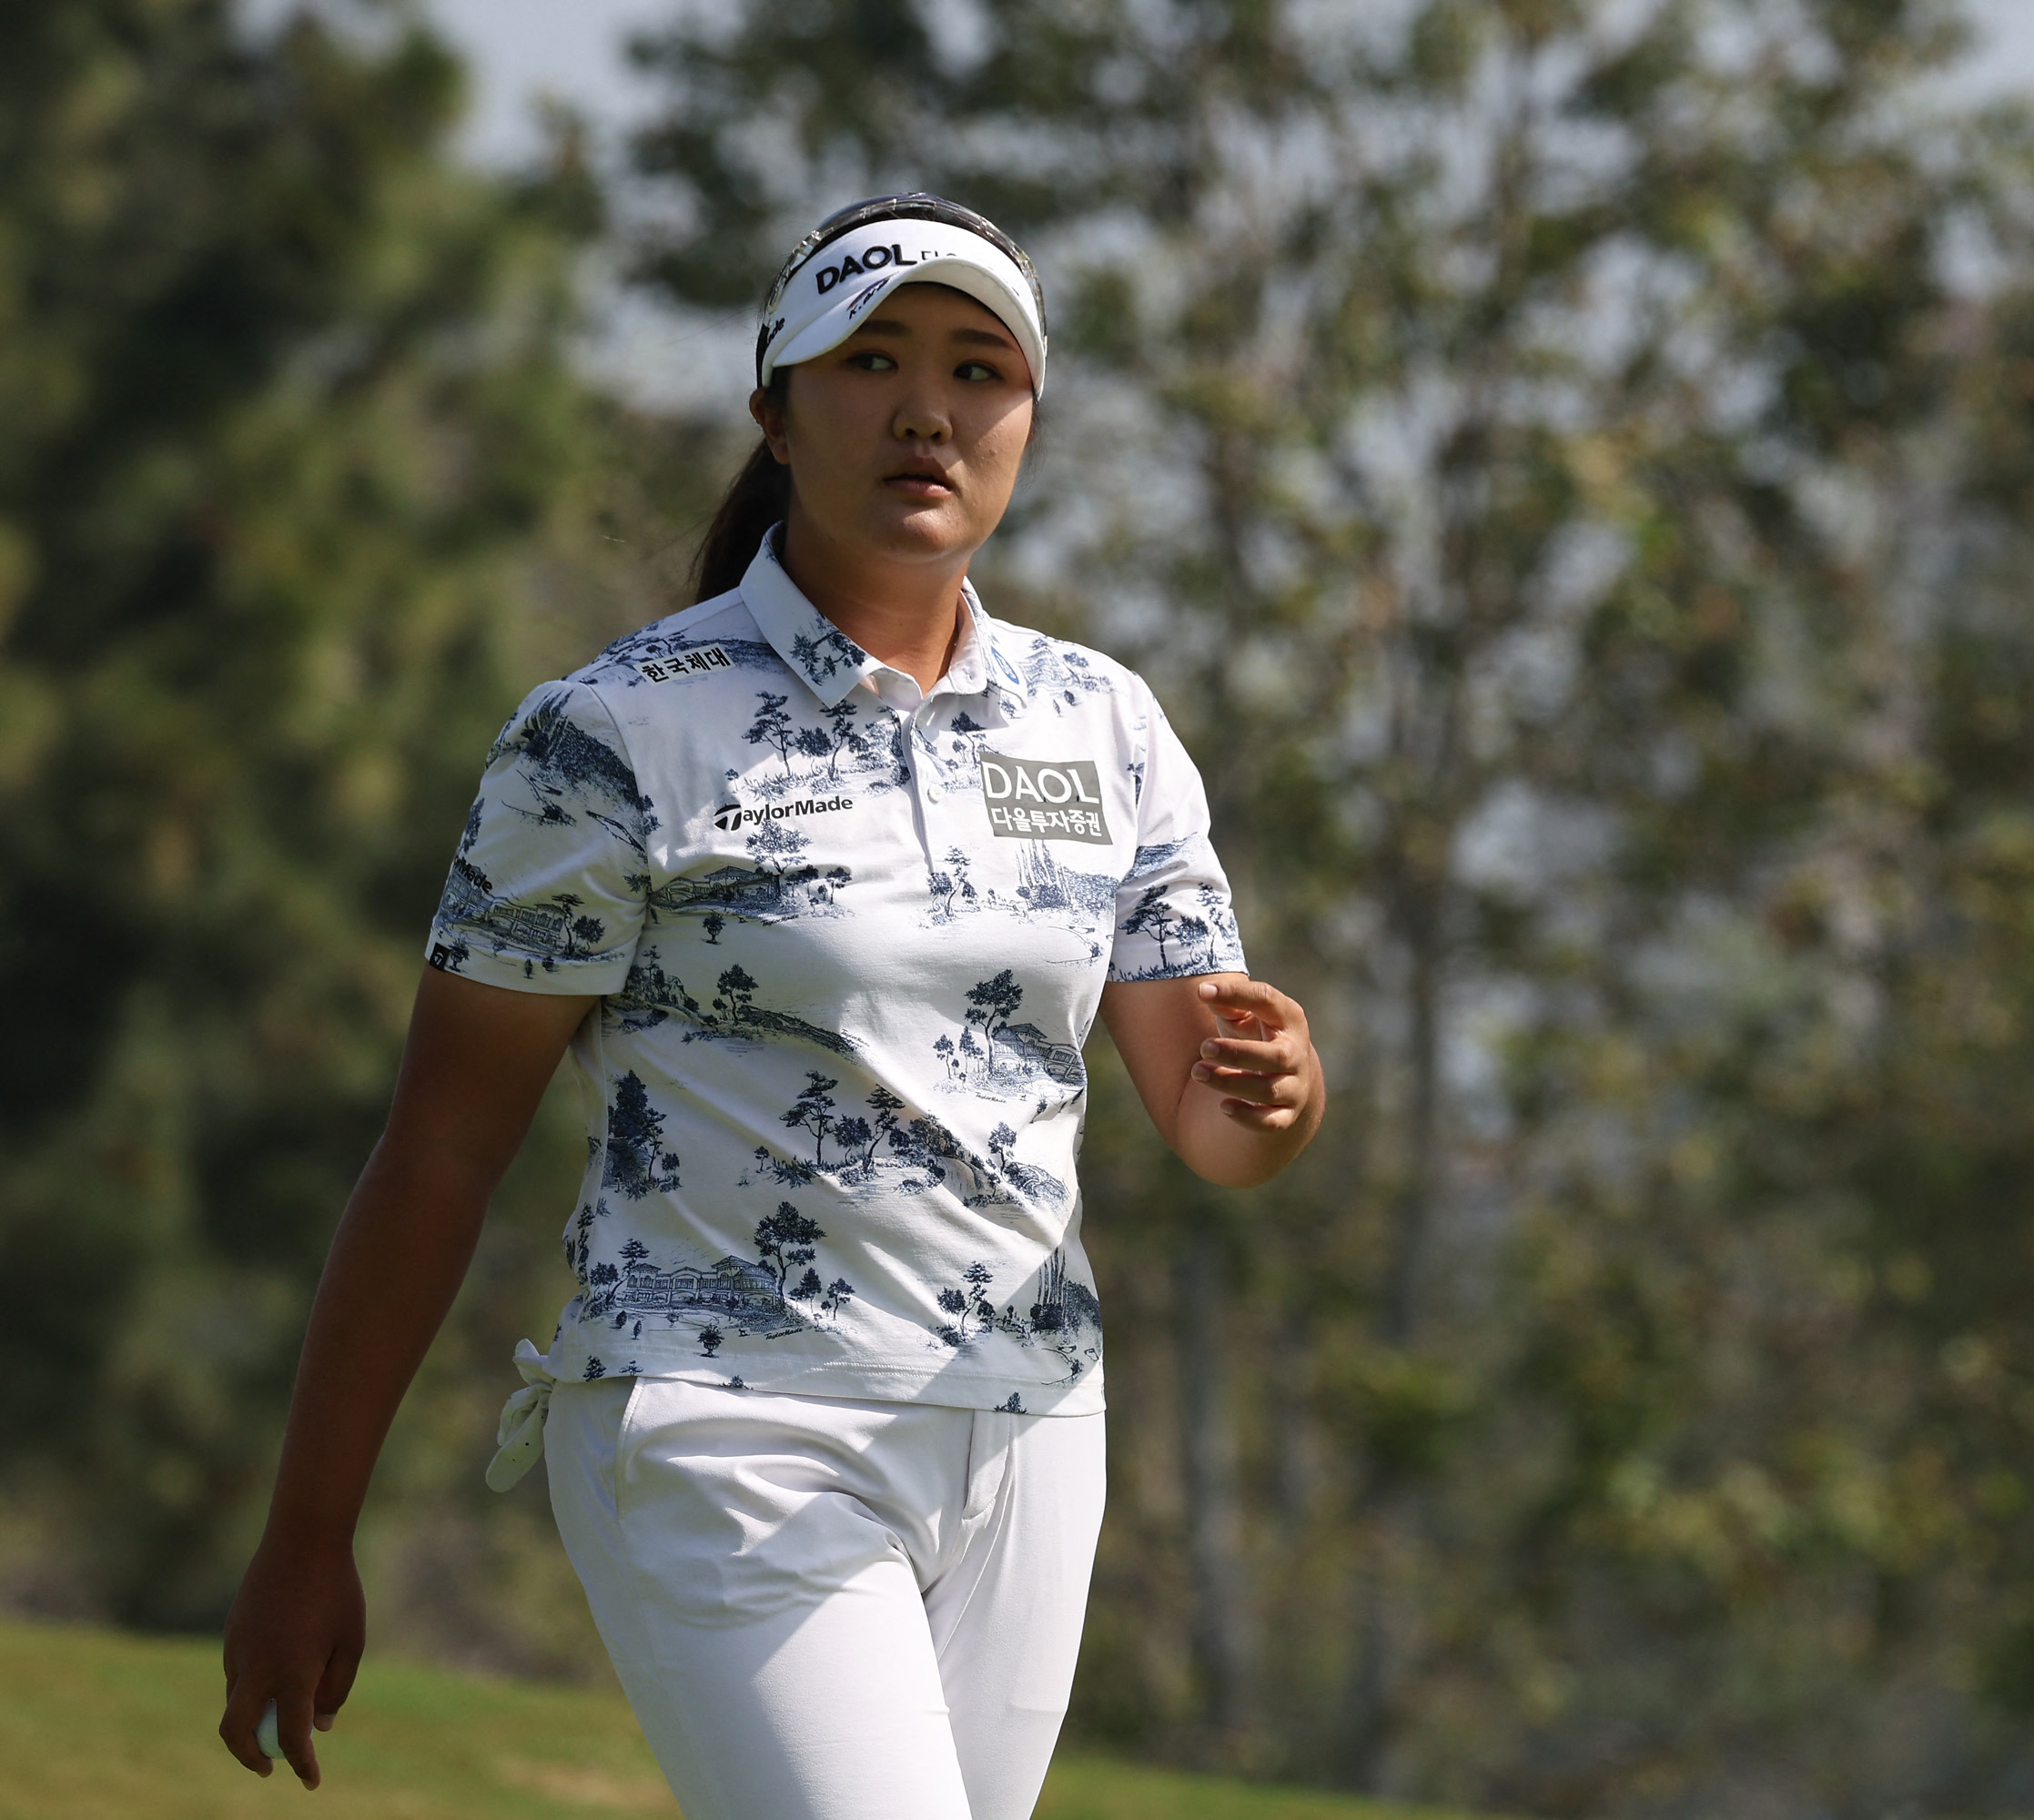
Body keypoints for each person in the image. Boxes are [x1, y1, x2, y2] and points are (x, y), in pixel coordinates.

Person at [216, 192, 1323, 1820]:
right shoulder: (613, 734)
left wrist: (1280, 1090)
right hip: (725, 1428)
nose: (926, 407)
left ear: (1028, 419)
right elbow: (441, 1149)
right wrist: (309, 1534)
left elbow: (1215, 1133)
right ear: (776, 415)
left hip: (1026, 1437)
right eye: (868, 359)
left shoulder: (1107, 727)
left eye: (976, 368)